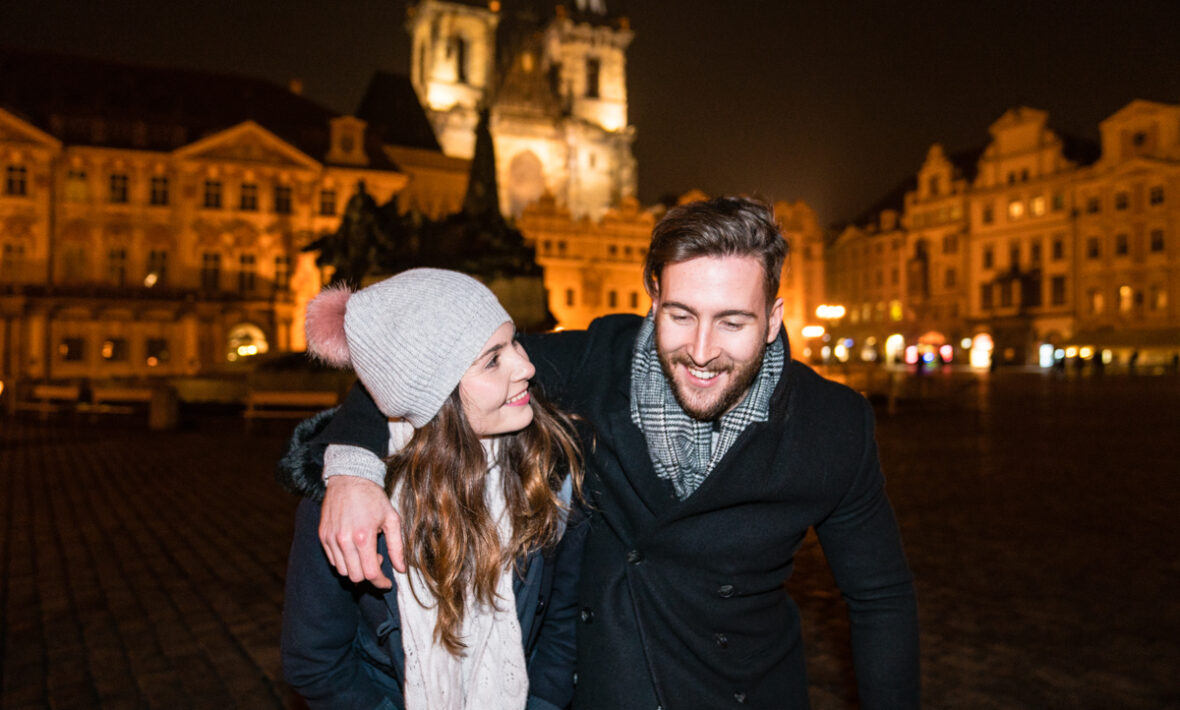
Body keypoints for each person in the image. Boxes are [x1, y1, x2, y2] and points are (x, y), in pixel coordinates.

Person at [286, 197, 920, 708]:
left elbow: (881, 597)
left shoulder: (833, 424)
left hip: (743, 688)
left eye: (733, 321)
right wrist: (350, 471)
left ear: (774, 318)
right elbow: (419, 369)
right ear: (652, 298)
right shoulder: (597, 360)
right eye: (680, 315)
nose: (701, 350)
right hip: (603, 685)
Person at [279, 269, 586, 710]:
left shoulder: (549, 469)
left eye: (514, 341)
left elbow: (561, 622)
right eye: (493, 359)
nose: (527, 366)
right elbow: (314, 659)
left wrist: (541, 703)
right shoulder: (352, 503)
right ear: (434, 395)